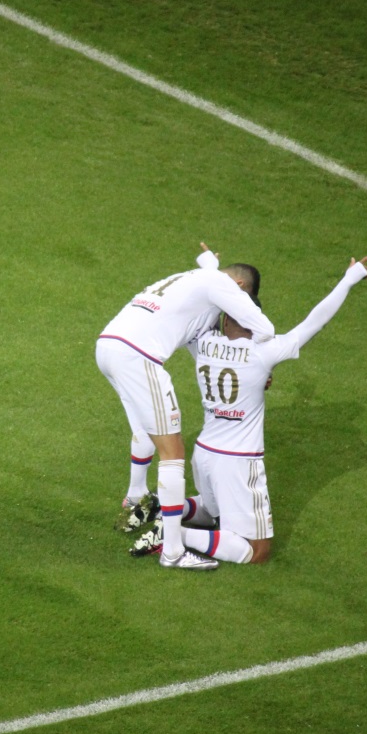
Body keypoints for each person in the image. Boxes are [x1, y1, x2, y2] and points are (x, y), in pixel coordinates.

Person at [129, 253, 367, 564]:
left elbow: (196, 310)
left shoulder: (202, 343)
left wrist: (209, 270)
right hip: (238, 460)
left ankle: (159, 507)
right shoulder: (263, 352)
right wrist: (348, 279)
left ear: (226, 317)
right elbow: (315, 320)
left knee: (210, 509)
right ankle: (174, 533)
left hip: (203, 453)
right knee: (256, 551)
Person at [96, 243, 274, 571]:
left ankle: (137, 501)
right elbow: (265, 328)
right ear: (237, 289)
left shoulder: (192, 282)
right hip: (137, 356)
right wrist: (262, 366)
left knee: (146, 428)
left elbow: (202, 350)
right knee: (173, 452)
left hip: (108, 344)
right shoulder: (222, 288)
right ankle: (173, 549)